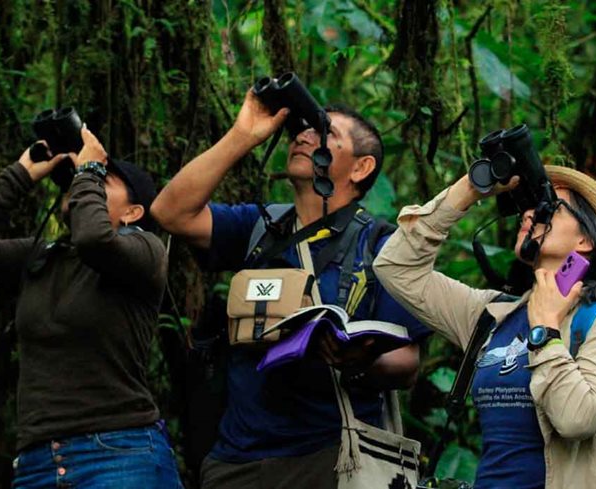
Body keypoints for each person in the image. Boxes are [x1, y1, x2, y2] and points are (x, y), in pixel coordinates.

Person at [151, 90, 429, 488]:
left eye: (324, 133)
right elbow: (169, 212)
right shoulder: (260, 227)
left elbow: (407, 362)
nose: (303, 136)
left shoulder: (381, 246)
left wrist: (355, 357)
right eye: (300, 130)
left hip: (329, 459)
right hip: (236, 463)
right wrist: (243, 134)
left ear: (361, 167)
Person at [372, 168, 596, 488]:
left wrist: (545, 329)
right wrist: (470, 188)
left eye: (549, 207)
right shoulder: (491, 315)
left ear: (585, 240)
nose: (529, 212)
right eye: (530, 205)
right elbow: (396, 267)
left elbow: (577, 418)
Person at [0, 128, 183, 489]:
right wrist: (23, 173)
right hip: (38, 463)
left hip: (119, 455)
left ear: (133, 212)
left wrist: (89, 171)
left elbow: (93, 238)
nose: (86, 178)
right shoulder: (43, 257)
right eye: (85, 175)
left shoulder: (146, 252)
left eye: (106, 177)